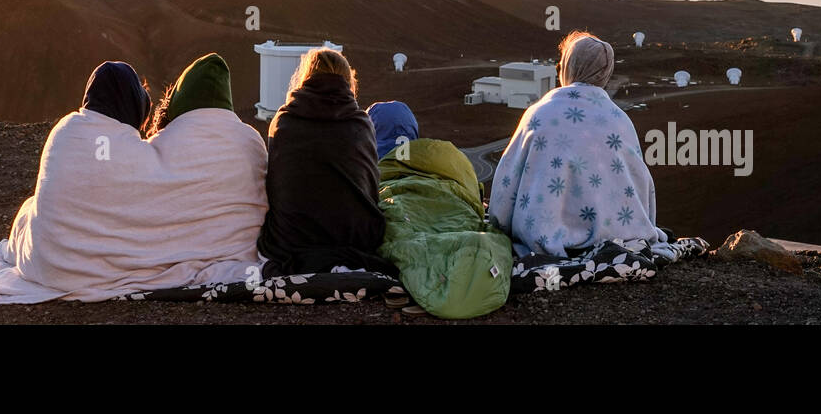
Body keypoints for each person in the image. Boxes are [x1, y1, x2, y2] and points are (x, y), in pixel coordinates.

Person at [0, 54, 268, 303]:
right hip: (239, 251)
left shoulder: (64, 131)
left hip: (47, 266)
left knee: (31, 210)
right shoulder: (249, 140)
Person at [487, 31, 665, 258]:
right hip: (621, 237)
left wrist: (500, 224)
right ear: (606, 72)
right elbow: (641, 183)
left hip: (544, 239)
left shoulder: (540, 113)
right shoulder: (620, 120)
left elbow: (507, 183)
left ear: (569, 65)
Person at [370, 100, 512, 318]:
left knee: (403, 233)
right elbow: (472, 190)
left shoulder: (369, 164)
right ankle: (463, 257)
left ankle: (441, 269)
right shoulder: (442, 157)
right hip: (450, 197)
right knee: (455, 226)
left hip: (397, 199)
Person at [257, 47, 392, 276]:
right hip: (357, 239)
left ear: (304, 78)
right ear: (348, 81)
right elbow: (369, 187)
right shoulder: (361, 123)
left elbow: (277, 183)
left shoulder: (284, 121)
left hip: (292, 241)